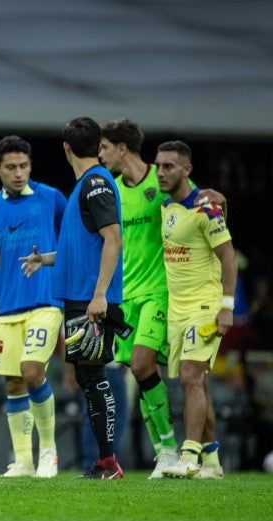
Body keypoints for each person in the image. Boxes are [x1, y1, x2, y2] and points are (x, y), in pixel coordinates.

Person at [99, 118, 226, 478]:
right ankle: (208, 457)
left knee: (145, 367)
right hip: (127, 297)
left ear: (122, 149)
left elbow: (201, 208)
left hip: (163, 294)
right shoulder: (114, 191)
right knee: (173, 377)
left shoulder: (163, 180)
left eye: (104, 148)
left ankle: (169, 450)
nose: (100, 155)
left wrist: (222, 200)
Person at [20, 117, 125, 479]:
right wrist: (44, 259)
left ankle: (109, 462)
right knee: (86, 376)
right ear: (97, 145)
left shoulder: (95, 184)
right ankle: (104, 461)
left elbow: (113, 239)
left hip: (91, 300)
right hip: (82, 298)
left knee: (94, 377)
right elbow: (83, 246)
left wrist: (100, 296)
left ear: (66, 148)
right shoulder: (86, 184)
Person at [0, 135, 66, 478]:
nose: (18, 173)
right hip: (7, 307)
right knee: (14, 384)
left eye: (24, 166)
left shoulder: (51, 199)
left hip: (45, 302)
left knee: (33, 371)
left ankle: (49, 451)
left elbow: (73, 245)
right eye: (11, 167)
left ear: (31, 166)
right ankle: (24, 460)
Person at [154, 140, 236, 480]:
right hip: (177, 309)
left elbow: (228, 258)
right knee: (195, 382)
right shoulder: (165, 207)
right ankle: (212, 462)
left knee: (190, 377)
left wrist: (226, 307)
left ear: (187, 170)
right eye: (158, 165)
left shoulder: (206, 207)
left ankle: (189, 454)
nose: (160, 172)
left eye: (168, 166)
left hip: (204, 306)